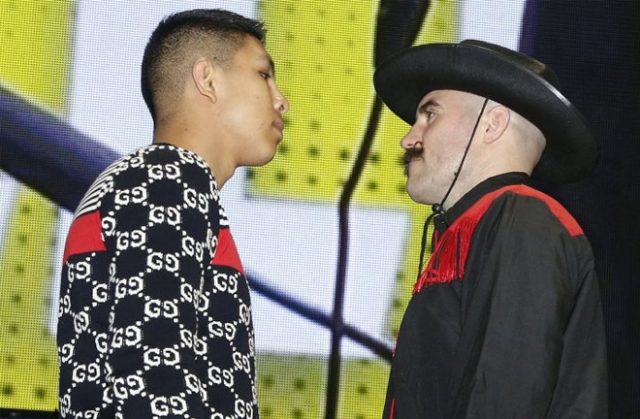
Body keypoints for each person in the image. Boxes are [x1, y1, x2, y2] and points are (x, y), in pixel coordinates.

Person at [57, 9, 288, 418]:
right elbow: (154, 373)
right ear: (207, 79)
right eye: (263, 75)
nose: (281, 99)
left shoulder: (141, 181)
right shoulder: (169, 176)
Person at [373, 40, 607, 418]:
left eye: (429, 115)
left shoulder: (523, 221)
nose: (409, 138)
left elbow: (500, 398)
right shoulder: (482, 225)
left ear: (492, 123)